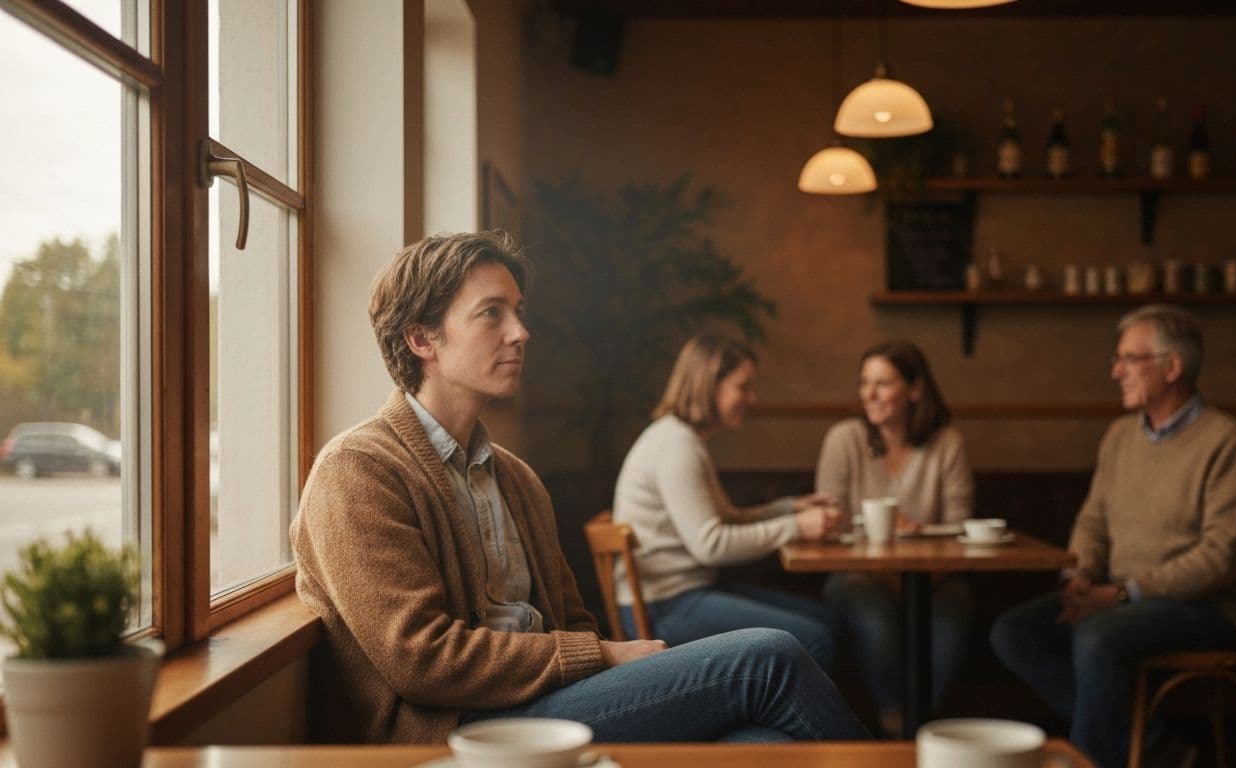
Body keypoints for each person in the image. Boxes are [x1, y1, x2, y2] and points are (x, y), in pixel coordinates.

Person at [289, 231, 868, 744]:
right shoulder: (358, 471)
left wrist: (601, 658)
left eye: (518, 311)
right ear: (423, 339)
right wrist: (605, 656)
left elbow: (572, 620)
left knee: (765, 743)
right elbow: (422, 659)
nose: (522, 332)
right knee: (771, 655)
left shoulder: (515, 477)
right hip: (455, 731)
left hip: (546, 704)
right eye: (492, 314)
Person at [990, 304, 1236, 768]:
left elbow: (1221, 560)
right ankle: (1153, 746)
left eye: (1129, 359)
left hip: (1205, 608)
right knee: (1012, 632)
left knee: (1097, 636)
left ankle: (1093, 759)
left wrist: (1118, 594)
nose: (1115, 371)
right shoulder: (1119, 436)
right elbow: (1093, 521)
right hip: (1117, 598)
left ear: (1172, 367)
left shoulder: (1227, 441)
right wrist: (1077, 578)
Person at [611, 335, 843, 670]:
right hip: (666, 607)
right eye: (743, 387)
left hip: (679, 596)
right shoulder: (677, 446)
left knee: (826, 621)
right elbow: (712, 544)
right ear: (710, 385)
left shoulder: (679, 438)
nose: (753, 398)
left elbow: (725, 519)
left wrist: (791, 508)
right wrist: (795, 527)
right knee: (816, 638)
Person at [814, 341, 974, 737]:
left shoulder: (947, 442)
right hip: (856, 577)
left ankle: (925, 727)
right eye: (864, 382)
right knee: (873, 613)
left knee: (952, 618)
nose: (869, 394)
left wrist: (916, 551)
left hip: (934, 576)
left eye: (882, 383)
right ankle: (894, 727)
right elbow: (827, 524)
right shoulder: (844, 438)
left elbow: (960, 527)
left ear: (915, 390)